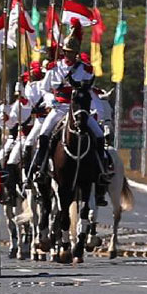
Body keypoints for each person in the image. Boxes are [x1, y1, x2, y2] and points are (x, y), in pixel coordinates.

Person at [29, 19, 110, 206]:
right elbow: (44, 90)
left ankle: (101, 175)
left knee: (98, 137)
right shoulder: (54, 68)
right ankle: (40, 169)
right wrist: (51, 101)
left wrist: (99, 115)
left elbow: (90, 92)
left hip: (79, 110)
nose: (70, 55)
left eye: (73, 52)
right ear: (63, 52)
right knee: (43, 135)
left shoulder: (85, 70)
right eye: (67, 52)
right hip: (59, 108)